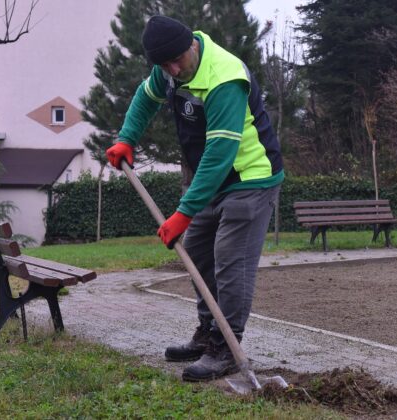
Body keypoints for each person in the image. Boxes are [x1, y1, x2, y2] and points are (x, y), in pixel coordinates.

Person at [105, 15, 284, 382]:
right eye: (164, 65)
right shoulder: (169, 69)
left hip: (250, 178)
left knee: (230, 261)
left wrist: (183, 212)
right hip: (213, 180)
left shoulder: (224, 78)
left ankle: (226, 347)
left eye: (177, 61)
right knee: (199, 254)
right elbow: (144, 97)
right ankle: (207, 333)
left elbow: (220, 152)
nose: (173, 70)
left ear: (192, 46)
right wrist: (127, 138)